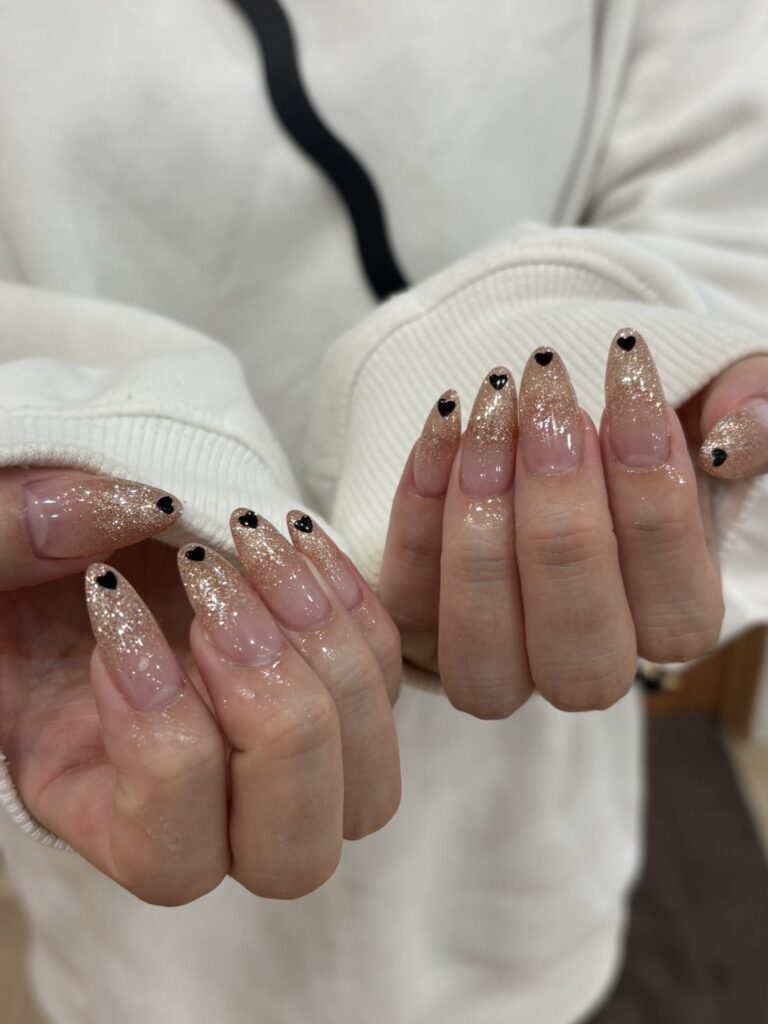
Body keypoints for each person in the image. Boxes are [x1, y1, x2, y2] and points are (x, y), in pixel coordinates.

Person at [0, 1, 766, 1022]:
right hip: (104, 775)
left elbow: (735, 204)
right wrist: (51, 440)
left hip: (518, 835)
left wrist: (590, 354)